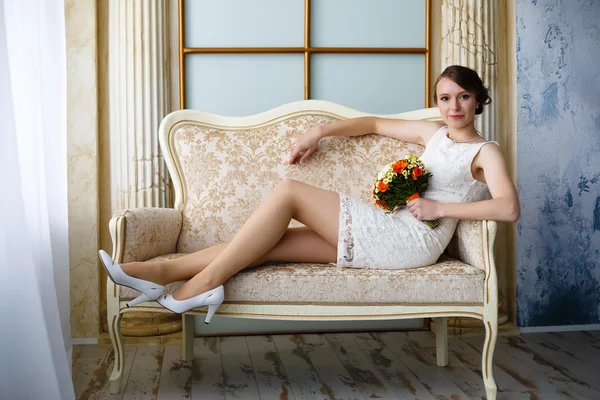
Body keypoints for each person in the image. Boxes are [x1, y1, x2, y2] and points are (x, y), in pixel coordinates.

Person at [99, 65, 520, 322]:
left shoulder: (485, 152)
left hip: (413, 241)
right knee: (267, 243)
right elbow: (371, 123)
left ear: (478, 100)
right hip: (391, 226)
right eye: (445, 98)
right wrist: (318, 131)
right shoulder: (433, 135)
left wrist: (439, 207)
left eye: (463, 97)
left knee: (288, 192)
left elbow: (508, 207)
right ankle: (157, 275)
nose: (453, 107)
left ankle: (205, 283)